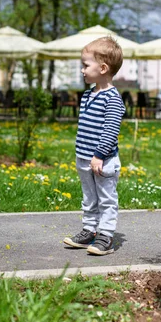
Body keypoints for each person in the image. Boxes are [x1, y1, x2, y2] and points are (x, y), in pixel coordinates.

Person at [63, 36, 126, 255]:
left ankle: (106, 236)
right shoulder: (89, 94)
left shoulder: (113, 99)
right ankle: (89, 231)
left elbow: (110, 131)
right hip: (83, 158)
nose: (82, 70)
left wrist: (99, 155)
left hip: (103, 160)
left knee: (106, 199)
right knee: (89, 197)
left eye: (85, 65)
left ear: (102, 68)